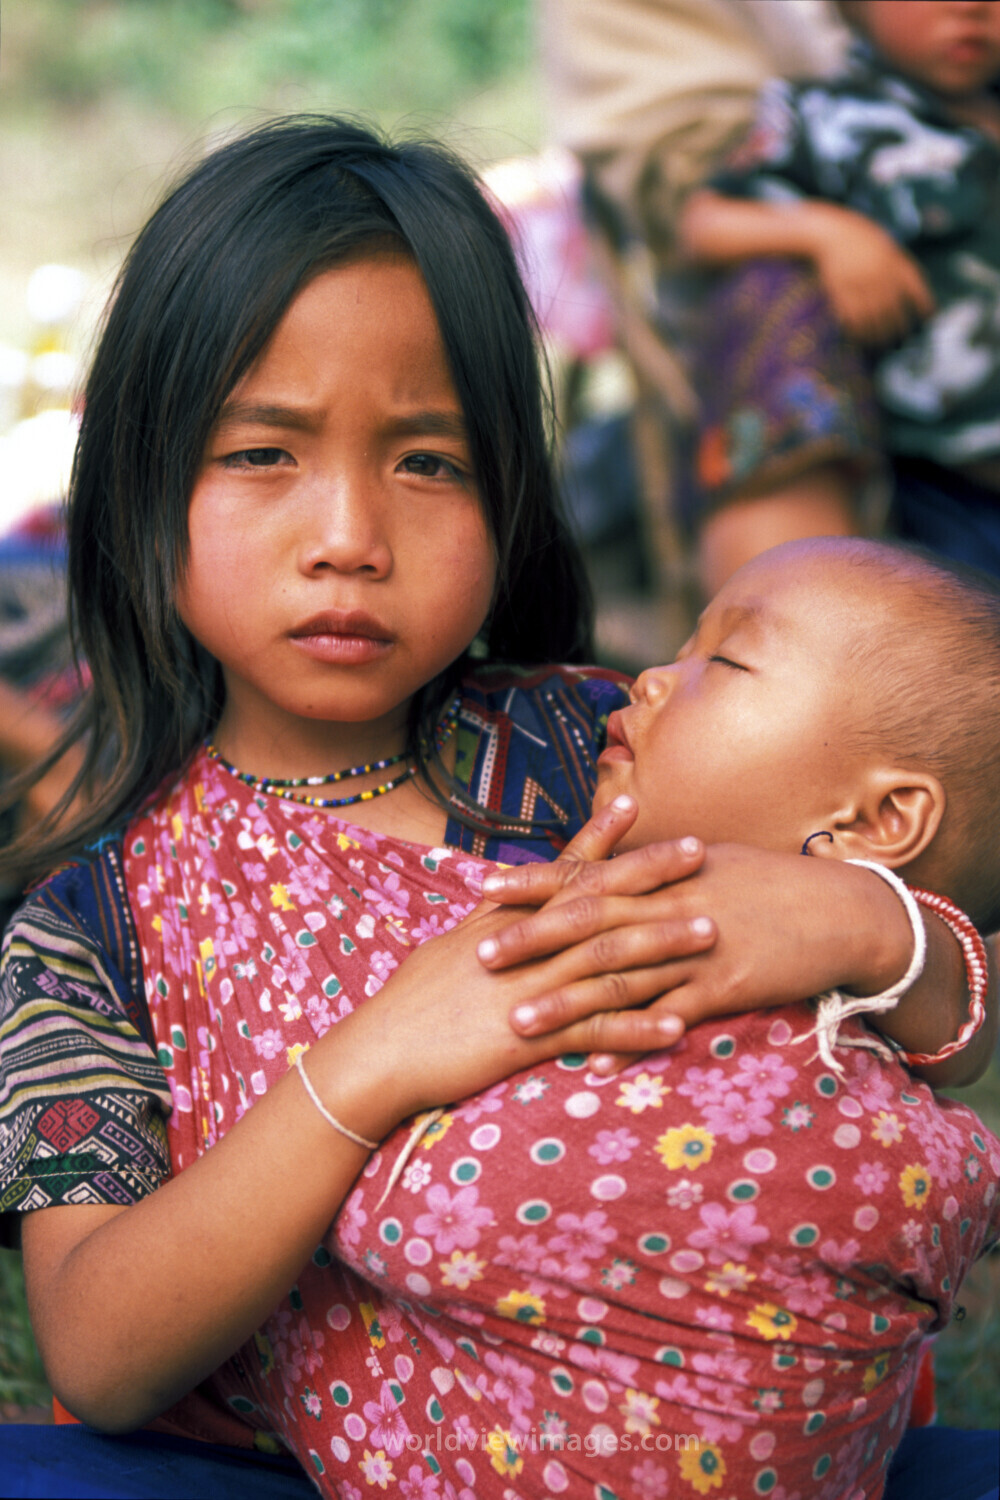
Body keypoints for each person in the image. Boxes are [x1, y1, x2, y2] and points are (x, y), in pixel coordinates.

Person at [0, 119, 989, 1496]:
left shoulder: (604, 749)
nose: (349, 532)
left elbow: (942, 1031)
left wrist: (870, 926)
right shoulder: (85, 937)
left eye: (427, 462)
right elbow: (102, 1354)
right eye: (263, 454)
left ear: (507, 493)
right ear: (138, 488)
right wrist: (377, 1061)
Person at [680, 0, 1000, 590]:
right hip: (948, 481)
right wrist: (829, 232)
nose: (972, 8)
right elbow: (704, 221)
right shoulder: (822, 119)